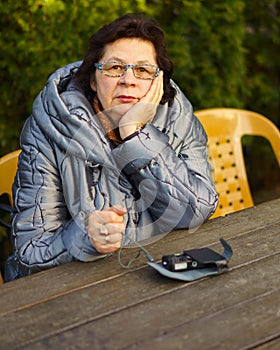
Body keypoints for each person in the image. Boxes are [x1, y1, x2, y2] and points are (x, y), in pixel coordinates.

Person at [4, 13, 218, 282]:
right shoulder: (49, 129)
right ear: (93, 79)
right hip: (72, 290)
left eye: (142, 70)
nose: (129, 80)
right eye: (115, 68)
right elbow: (29, 252)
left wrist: (136, 134)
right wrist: (83, 236)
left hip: (154, 278)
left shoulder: (178, 118)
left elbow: (196, 211)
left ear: (159, 82)